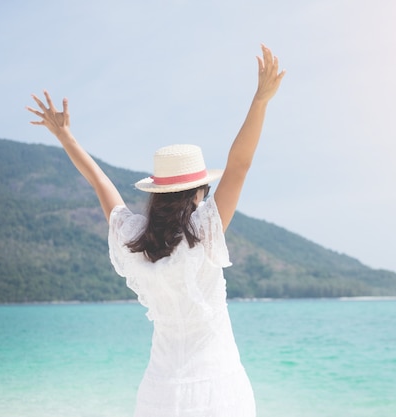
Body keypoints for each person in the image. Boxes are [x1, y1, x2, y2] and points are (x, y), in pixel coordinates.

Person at [26, 45, 285, 417]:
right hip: (218, 388)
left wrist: (66, 136)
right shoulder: (205, 232)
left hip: (159, 394)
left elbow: (101, 183)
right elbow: (239, 165)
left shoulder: (134, 242)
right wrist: (260, 100)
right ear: (198, 195)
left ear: (158, 193)